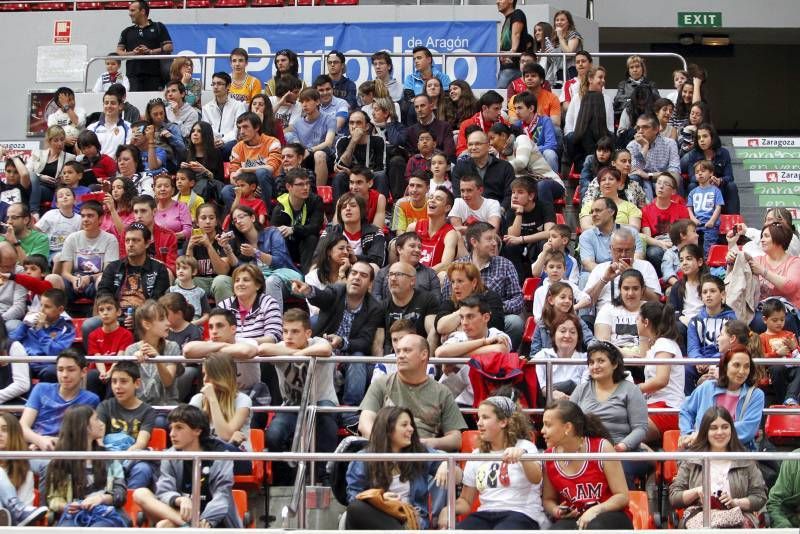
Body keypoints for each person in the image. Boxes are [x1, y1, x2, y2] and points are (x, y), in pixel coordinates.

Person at [291, 263, 383, 425]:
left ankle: (350, 410)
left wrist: (342, 342)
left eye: (363, 275)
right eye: (353, 273)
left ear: (370, 284)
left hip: (350, 355)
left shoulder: (375, 307)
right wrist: (308, 290)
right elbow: (323, 296)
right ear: (347, 278)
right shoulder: (337, 291)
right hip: (325, 349)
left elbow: (365, 341)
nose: (356, 277)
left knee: (358, 357)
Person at [442, 395, 547, 530]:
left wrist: (523, 457)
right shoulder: (477, 455)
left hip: (521, 513)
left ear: (503, 422)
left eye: (485, 418)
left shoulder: (525, 446)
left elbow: (536, 478)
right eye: (478, 418)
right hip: (485, 514)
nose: (479, 423)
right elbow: (466, 501)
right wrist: (447, 510)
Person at [133, 404, 241, 528]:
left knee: (165, 525)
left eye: (179, 428)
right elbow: (164, 491)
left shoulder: (220, 456)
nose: (172, 434)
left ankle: (191, 526)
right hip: (183, 515)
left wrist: (207, 520)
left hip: (213, 520)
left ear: (197, 430)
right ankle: (189, 525)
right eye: (171, 428)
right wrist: (180, 500)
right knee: (140, 493)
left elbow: (222, 496)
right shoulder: (170, 456)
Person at [258, 309, 335, 482]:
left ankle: (324, 476)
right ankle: (285, 481)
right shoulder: (281, 347)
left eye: (295, 331)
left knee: (327, 421)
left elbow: (326, 348)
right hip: (292, 404)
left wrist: (296, 354)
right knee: (274, 434)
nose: (288, 337)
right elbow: (262, 348)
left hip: (321, 401)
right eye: (285, 331)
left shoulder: (317, 342)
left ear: (307, 333)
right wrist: (292, 352)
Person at [345, 406, 452, 530]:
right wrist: (379, 499)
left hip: (410, 517)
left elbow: (458, 474)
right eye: (404, 425)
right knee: (355, 508)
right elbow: (354, 497)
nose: (411, 429)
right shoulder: (363, 459)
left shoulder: (419, 452)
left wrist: (446, 463)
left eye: (411, 424)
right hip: (379, 515)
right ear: (388, 429)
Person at [360, 334, 467, 451]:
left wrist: (427, 443)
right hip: (385, 449)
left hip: (424, 453)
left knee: (448, 468)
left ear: (424, 354)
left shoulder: (442, 392)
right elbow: (365, 422)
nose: (400, 356)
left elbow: (456, 439)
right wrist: (384, 442)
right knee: (358, 461)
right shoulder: (381, 384)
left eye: (407, 351)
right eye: (398, 351)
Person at [541, 400, 633, 529]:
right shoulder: (548, 457)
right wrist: (557, 511)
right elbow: (548, 499)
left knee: (595, 527)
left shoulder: (602, 447)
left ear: (567, 427)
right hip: (575, 518)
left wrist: (595, 510)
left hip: (610, 514)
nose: (542, 431)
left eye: (548, 425)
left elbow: (622, 496)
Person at [670, 406, 766, 528]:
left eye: (725, 427)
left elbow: (760, 497)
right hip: (700, 519)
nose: (720, 432)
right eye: (713, 428)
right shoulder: (692, 460)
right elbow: (674, 497)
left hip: (738, 518)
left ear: (731, 430)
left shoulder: (746, 460)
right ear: (705, 431)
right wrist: (697, 491)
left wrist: (735, 502)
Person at [571, 341, 651, 486]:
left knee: (618, 468)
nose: (595, 366)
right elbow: (568, 421)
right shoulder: (581, 390)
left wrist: (621, 446)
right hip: (587, 450)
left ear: (614, 364)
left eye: (601, 361)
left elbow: (641, 428)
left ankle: (623, 506)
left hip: (624, 452)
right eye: (591, 362)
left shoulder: (631, 390)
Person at [45, 405, 128, 527]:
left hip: (106, 513)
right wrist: (68, 507)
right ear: (85, 426)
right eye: (96, 419)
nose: (101, 423)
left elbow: (120, 493)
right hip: (74, 515)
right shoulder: (60, 461)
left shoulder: (109, 458)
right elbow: (54, 499)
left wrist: (101, 499)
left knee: (97, 529)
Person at [443, 222, 525, 346]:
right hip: (463, 317)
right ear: (474, 242)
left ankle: (503, 356)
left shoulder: (505, 264)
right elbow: (446, 298)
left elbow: (518, 299)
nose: (494, 243)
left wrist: (495, 307)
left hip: (495, 319)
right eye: (489, 239)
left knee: (515, 322)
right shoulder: (458, 267)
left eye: (495, 239)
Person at [679, 344, 764, 451]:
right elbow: (686, 410)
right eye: (736, 365)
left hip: (736, 453)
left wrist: (702, 436)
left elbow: (747, 429)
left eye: (746, 366)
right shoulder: (707, 387)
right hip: (702, 450)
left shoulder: (756, 395)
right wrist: (688, 433)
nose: (742, 371)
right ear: (725, 366)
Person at [435, 296, 513, 407]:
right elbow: (440, 353)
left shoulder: (497, 335)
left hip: (489, 404)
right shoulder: (458, 337)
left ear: (486, 317)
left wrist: (457, 357)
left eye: (470, 317)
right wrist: (483, 342)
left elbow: (499, 350)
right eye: (462, 317)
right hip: (456, 401)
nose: (464, 323)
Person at [20, 349, 99, 452]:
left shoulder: (91, 399)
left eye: (71, 370)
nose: (64, 375)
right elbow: (22, 426)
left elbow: (85, 437)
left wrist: (54, 441)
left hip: (67, 452)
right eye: (60, 370)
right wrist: (40, 441)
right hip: (35, 447)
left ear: (83, 372)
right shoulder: (41, 389)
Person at [96, 361, 156, 489]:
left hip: (132, 459)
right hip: (108, 457)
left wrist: (122, 460)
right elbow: (99, 439)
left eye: (123, 381)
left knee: (143, 469)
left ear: (137, 383)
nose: (117, 386)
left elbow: (141, 443)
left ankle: (127, 503)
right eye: (114, 381)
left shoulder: (147, 411)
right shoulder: (105, 406)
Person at [125, 300, 182, 419]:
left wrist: (157, 359)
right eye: (162, 319)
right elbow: (127, 387)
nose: (168, 323)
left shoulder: (173, 346)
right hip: (139, 408)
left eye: (167, 318)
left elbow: (168, 382)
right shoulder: (131, 350)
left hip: (165, 408)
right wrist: (133, 361)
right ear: (146, 324)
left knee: (159, 422)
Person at [637, 301, 684, 442]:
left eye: (638, 318)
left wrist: (634, 389)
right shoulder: (657, 344)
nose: (636, 322)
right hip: (654, 406)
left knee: (621, 430)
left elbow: (661, 380)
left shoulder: (664, 343)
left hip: (666, 408)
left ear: (646, 322)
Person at [97, 223, 171, 311]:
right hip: (115, 316)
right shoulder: (113, 267)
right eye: (127, 240)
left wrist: (138, 316)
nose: (130, 244)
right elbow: (103, 293)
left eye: (135, 240)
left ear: (147, 243)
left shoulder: (159, 269)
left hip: (146, 317)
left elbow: (158, 299)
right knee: (89, 325)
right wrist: (115, 312)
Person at [584, 228, 661, 312]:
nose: (623, 254)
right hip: (608, 318)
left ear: (634, 249)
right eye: (619, 250)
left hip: (639, 317)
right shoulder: (600, 268)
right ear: (611, 248)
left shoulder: (646, 266)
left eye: (628, 250)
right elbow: (586, 303)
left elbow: (655, 300)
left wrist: (633, 275)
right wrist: (604, 279)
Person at [189, 353, 252, 454]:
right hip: (206, 455)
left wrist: (212, 399)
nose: (205, 380)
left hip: (235, 457)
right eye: (204, 374)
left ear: (222, 376)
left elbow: (225, 435)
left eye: (211, 376)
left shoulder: (243, 400)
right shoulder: (198, 400)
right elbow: (188, 435)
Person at [10, 288, 74, 383]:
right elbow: (9, 342)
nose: (42, 310)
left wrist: (40, 330)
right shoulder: (30, 323)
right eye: (41, 305)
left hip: (46, 365)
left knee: (51, 371)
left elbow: (56, 353)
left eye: (47, 306)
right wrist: (24, 325)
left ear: (60, 310)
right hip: (25, 363)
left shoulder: (66, 329)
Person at [223, 112, 282, 211]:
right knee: (226, 190)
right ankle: (241, 218)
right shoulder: (237, 148)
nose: (241, 131)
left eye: (245, 127)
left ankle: (265, 214)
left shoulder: (272, 142)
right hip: (247, 188)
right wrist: (249, 188)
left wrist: (243, 170)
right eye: (239, 128)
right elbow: (233, 177)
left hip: (272, 187)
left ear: (257, 127)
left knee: (262, 172)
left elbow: (270, 168)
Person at [0, 414, 48, 526]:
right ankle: (16, 509)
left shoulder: (25, 464)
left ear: (14, 434)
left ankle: (17, 510)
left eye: (4, 430)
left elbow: (52, 464)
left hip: (15, 523)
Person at [318, 193, 386, 270]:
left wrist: (356, 259)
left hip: (362, 274)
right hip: (334, 271)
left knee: (374, 267)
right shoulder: (330, 232)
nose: (347, 209)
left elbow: (378, 261)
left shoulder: (375, 232)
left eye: (353, 206)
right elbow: (319, 256)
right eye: (343, 207)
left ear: (362, 210)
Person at [682, 123, 740, 214]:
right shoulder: (693, 154)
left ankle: (734, 220)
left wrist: (719, 180)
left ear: (712, 138)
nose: (701, 140)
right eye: (699, 137)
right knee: (691, 186)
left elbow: (729, 176)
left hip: (719, 188)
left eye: (705, 136)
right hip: (701, 188)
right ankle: (692, 218)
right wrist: (707, 180)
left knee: (731, 186)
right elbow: (692, 177)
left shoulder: (724, 153)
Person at [436, 262, 504, 338]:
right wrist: (463, 311)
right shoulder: (451, 301)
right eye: (453, 282)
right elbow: (440, 327)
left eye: (460, 281)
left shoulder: (490, 297)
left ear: (474, 283)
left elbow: (495, 326)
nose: (455, 286)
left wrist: (453, 330)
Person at [285, 88, 337, 187]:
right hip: (305, 156)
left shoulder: (329, 119)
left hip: (326, 156)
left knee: (319, 154)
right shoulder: (297, 123)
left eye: (308, 100)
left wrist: (309, 150)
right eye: (302, 101)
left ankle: (319, 193)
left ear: (317, 101)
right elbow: (297, 146)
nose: (304, 104)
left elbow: (328, 143)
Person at [116, 0, 172, 91]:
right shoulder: (126, 31)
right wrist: (133, 53)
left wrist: (150, 51)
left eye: (133, 10)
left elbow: (169, 47)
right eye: (130, 11)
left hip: (155, 77)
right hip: (132, 78)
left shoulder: (158, 26)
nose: (130, 14)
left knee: (155, 105)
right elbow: (118, 53)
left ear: (142, 11)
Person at [640, 172, 690, 272]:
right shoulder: (646, 210)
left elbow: (686, 233)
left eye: (666, 184)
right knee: (653, 252)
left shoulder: (681, 209)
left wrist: (674, 244)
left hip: (677, 243)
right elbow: (647, 237)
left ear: (673, 191)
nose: (661, 186)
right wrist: (661, 243)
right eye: (658, 183)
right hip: (657, 243)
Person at [452, 130, 516, 208]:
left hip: (497, 211)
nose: (473, 148)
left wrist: (500, 212)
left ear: (488, 146)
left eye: (478, 144)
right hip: (468, 213)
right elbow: (458, 196)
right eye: (470, 144)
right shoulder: (460, 168)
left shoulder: (505, 167)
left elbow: (509, 195)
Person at [332, 110, 388, 199]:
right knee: (339, 177)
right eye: (351, 123)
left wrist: (352, 173)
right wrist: (353, 141)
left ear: (366, 126)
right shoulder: (342, 141)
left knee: (381, 176)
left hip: (369, 180)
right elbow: (339, 168)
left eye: (358, 123)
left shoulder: (378, 141)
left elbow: (380, 169)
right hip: (350, 181)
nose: (354, 126)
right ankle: (338, 211)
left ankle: (381, 210)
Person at [372, 232, 441, 302]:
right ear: (399, 249)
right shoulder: (383, 272)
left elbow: (436, 301)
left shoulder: (430, 274)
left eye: (419, 247)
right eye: (412, 246)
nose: (417, 250)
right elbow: (376, 299)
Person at [86, 293, 134, 394]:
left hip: (116, 368)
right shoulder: (93, 335)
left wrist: (110, 372)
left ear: (118, 312)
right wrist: (103, 373)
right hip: (99, 371)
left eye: (109, 309)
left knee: (117, 377)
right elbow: (97, 357)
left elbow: (120, 357)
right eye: (101, 310)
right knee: (91, 376)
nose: (105, 313)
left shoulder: (126, 334)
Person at [532, 313, 588, 398]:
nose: (567, 336)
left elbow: (584, 392)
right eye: (562, 331)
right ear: (553, 335)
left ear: (578, 337)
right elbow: (541, 387)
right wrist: (553, 393)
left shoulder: (585, 360)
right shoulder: (542, 356)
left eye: (573, 332)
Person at [406, 187, 460, 274]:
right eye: (431, 197)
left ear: (447, 208)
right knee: (394, 245)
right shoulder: (413, 227)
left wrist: (421, 276)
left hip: (432, 278)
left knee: (443, 275)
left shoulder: (450, 234)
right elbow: (404, 255)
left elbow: (446, 264)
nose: (432, 200)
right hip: (409, 275)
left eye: (438, 199)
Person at [531, 282, 594, 354]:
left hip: (573, 363)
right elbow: (534, 352)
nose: (567, 301)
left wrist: (596, 350)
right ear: (551, 300)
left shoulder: (577, 321)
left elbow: (590, 340)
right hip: (548, 363)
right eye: (563, 297)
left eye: (570, 298)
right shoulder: (542, 323)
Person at [626, 114, 680, 199]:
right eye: (638, 128)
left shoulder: (670, 144)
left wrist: (649, 175)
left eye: (645, 127)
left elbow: (674, 172)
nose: (640, 131)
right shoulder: (632, 145)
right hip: (642, 182)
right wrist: (644, 146)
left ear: (656, 129)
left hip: (663, 180)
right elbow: (632, 171)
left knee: (677, 178)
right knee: (634, 178)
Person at [594, 269, 644, 358]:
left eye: (635, 288)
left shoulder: (650, 309)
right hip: (615, 360)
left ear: (642, 290)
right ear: (620, 290)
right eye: (626, 288)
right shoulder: (608, 309)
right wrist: (625, 355)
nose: (630, 293)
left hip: (644, 361)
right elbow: (602, 342)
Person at [25, 125, 75, 215]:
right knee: (33, 177)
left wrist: (62, 179)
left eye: (62, 139)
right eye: (56, 140)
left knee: (35, 189)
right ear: (49, 141)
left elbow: (69, 178)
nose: (60, 143)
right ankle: (34, 212)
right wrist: (41, 177)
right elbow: (27, 171)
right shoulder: (37, 153)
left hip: (52, 189)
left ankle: (33, 212)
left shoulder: (70, 158)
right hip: (36, 186)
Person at [509, 89, 561, 174]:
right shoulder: (517, 125)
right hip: (525, 159)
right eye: (515, 108)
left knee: (550, 154)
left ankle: (554, 182)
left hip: (540, 157)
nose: (517, 112)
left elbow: (551, 144)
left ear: (531, 108)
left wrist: (531, 150)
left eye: (520, 108)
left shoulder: (545, 120)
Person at [201, 72, 248, 156]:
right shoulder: (206, 108)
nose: (215, 87)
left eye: (219, 84)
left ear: (228, 86)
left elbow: (238, 129)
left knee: (227, 148)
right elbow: (207, 129)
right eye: (213, 84)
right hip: (213, 141)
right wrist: (214, 140)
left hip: (231, 141)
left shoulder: (238, 105)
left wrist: (223, 140)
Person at [687, 159, 723, 258]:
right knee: (693, 248)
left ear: (711, 173)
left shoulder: (716, 191)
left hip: (710, 224)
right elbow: (689, 208)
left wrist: (712, 221)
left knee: (709, 247)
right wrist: (693, 219)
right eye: (697, 172)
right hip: (696, 224)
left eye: (703, 171)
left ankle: (708, 265)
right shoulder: (693, 192)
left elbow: (718, 207)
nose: (700, 174)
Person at [455, 91, 508, 156]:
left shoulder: (503, 123)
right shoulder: (467, 124)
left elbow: (508, 147)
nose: (499, 112)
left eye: (500, 109)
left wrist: (499, 152)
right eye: (496, 109)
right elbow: (461, 151)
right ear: (484, 108)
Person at [496, 0, 532, 88]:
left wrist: (512, 52)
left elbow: (516, 34)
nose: (497, 2)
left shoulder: (517, 13)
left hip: (513, 67)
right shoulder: (507, 19)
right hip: (506, 67)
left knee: (500, 95)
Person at [548, 10, 583, 84]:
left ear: (569, 22)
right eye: (557, 20)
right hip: (558, 72)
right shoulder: (555, 37)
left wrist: (560, 37)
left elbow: (568, 53)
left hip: (571, 70)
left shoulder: (573, 35)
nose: (559, 22)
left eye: (562, 20)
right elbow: (554, 59)